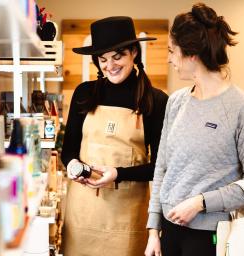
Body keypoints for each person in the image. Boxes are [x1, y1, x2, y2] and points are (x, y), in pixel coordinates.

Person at [144, 3, 244, 256]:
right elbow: (162, 168)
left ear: (192, 54)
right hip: (169, 234)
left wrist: (201, 203)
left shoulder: (243, 108)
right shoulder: (177, 101)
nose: (170, 59)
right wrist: (152, 230)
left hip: (210, 236)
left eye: (172, 51)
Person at [61, 16, 169, 256]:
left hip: (126, 220)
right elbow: (68, 151)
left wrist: (118, 174)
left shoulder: (155, 100)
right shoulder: (84, 93)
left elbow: (161, 167)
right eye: (103, 59)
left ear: (133, 53)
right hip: (82, 218)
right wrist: (72, 165)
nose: (110, 65)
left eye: (117, 56)